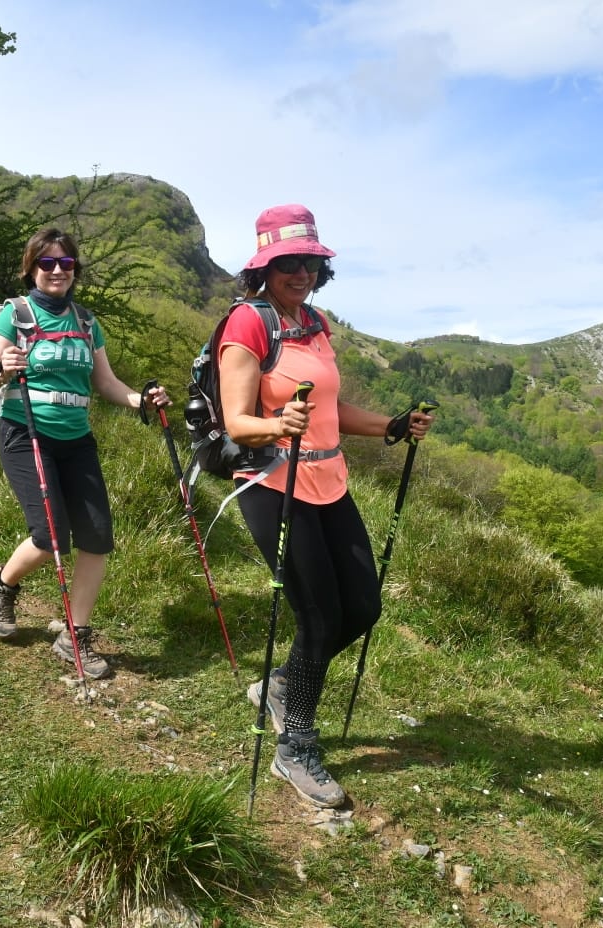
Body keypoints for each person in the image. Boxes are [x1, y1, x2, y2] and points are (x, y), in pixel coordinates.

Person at [217, 204, 433, 808]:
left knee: (362, 607)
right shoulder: (247, 323)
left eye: (310, 263)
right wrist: (276, 423)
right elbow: (237, 421)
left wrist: (391, 425)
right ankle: (295, 745)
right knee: (317, 616)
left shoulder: (314, 323)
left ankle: (283, 684)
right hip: (272, 484)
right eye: (289, 263)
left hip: (329, 481)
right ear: (265, 267)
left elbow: (331, 412)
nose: (302, 273)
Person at [0, 227, 169, 680]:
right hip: (25, 431)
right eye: (48, 263)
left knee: (97, 536)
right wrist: (2, 368)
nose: (58, 270)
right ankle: (0, 586)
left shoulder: (86, 321)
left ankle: (74, 635)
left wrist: (142, 399)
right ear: (32, 268)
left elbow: (107, 383)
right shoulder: (15, 314)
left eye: (66, 263)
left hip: (76, 438)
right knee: (50, 535)